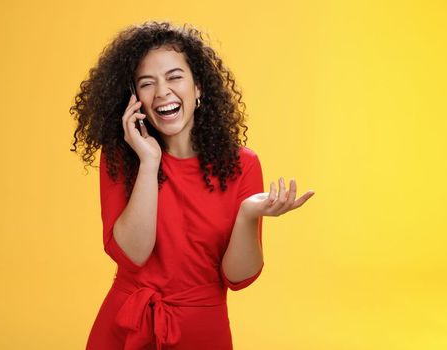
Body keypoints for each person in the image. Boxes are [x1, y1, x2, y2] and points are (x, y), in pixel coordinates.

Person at [70, 21, 315, 349]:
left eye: (174, 77)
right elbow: (133, 255)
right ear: (135, 99)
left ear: (198, 87)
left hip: (201, 331)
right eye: (147, 83)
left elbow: (238, 278)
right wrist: (149, 162)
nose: (162, 92)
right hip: (125, 329)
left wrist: (247, 214)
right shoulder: (121, 156)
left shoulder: (243, 165)